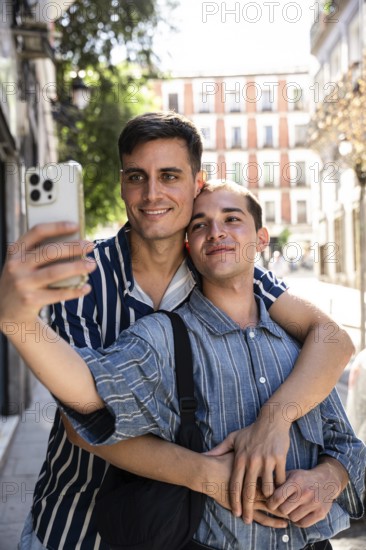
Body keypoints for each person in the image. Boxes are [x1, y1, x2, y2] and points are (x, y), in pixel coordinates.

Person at [0, 111, 354, 549]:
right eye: (136, 177)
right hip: (79, 512)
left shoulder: (219, 265)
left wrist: (274, 419)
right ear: (122, 184)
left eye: (169, 175)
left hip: (175, 523)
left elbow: (332, 338)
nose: (152, 194)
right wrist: (208, 475)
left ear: (196, 184)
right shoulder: (83, 273)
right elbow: (83, 418)